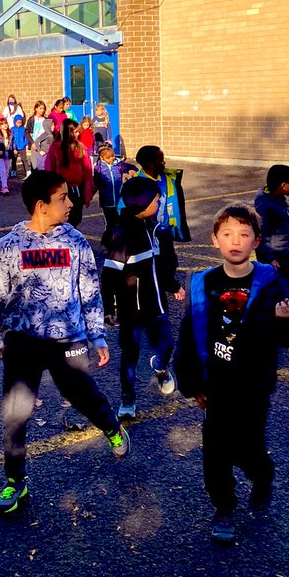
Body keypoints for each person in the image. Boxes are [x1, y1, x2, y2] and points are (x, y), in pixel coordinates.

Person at [0, 170, 130, 514]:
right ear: (41, 206)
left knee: (81, 394)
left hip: (69, 339)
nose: (71, 202)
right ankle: (15, 482)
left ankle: (111, 426)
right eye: (63, 198)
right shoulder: (8, 247)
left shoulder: (75, 241)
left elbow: (90, 290)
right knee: (16, 412)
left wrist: (97, 335)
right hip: (22, 342)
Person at [175, 205, 289, 545]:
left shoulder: (270, 283)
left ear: (256, 241)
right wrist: (190, 383)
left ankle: (261, 475)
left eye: (244, 234)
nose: (236, 241)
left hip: (253, 385)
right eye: (228, 234)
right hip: (216, 384)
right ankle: (224, 506)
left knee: (249, 447)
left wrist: (287, 320)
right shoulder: (203, 283)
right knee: (215, 450)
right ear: (214, 240)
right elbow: (188, 334)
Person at [102, 176, 184, 420]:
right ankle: (128, 399)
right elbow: (109, 275)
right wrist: (110, 307)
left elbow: (162, 266)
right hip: (131, 310)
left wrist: (172, 285)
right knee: (130, 355)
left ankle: (160, 366)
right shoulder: (123, 235)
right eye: (156, 199)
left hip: (157, 304)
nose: (159, 203)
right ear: (144, 203)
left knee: (167, 344)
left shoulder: (157, 231)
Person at [254, 164, 289, 291]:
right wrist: (269, 259)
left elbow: (284, 226)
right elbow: (262, 234)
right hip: (275, 258)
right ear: (283, 185)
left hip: (284, 253)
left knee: (285, 290)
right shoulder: (266, 205)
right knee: (275, 292)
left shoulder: (279, 199)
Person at [43, 119, 93, 227]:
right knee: (63, 219)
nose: (78, 133)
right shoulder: (56, 148)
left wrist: (87, 192)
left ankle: (73, 241)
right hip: (62, 190)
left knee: (76, 218)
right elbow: (49, 169)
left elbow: (88, 171)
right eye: (75, 131)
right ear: (67, 132)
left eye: (77, 131)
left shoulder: (81, 147)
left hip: (77, 189)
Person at [135, 146, 191, 242]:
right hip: (147, 236)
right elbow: (123, 211)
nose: (164, 163)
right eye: (161, 161)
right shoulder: (135, 184)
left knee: (169, 256)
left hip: (166, 232)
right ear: (151, 164)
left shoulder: (168, 179)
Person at [94, 141, 136, 246]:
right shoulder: (98, 169)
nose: (112, 158)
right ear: (102, 158)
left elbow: (131, 167)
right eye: (109, 157)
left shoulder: (118, 165)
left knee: (120, 222)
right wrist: (87, 196)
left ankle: (118, 243)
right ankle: (108, 243)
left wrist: (131, 170)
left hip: (118, 200)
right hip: (106, 202)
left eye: (113, 156)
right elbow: (94, 184)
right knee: (111, 223)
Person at [26, 102, 54, 170]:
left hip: (43, 144)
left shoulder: (45, 119)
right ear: (36, 109)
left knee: (43, 163)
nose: (42, 110)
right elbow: (27, 132)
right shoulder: (32, 119)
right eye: (40, 108)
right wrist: (32, 143)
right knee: (34, 164)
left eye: (43, 108)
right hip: (35, 144)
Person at [9, 113, 29, 179]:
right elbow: (11, 139)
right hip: (15, 148)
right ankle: (13, 172)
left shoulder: (24, 129)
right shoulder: (12, 129)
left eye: (20, 122)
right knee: (14, 160)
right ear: (15, 122)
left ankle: (27, 171)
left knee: (24, 160)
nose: (19, 124)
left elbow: (26, 137)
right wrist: (13, 147)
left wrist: (25, 144)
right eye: (17, 122)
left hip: (22, 147)